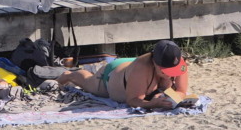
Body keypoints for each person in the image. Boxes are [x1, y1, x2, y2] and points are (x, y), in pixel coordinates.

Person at [56, 40, 189, 109]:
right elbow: (132, 100)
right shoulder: (142, 69)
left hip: (129, 67)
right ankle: (68, 75)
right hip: (111, 76)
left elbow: (182, 90)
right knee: (89, 83)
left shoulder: (177, 63)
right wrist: (152, 104)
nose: (169, 74)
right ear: (155, 63)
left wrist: (175, 97)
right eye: (165, 71)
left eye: (173, 70)